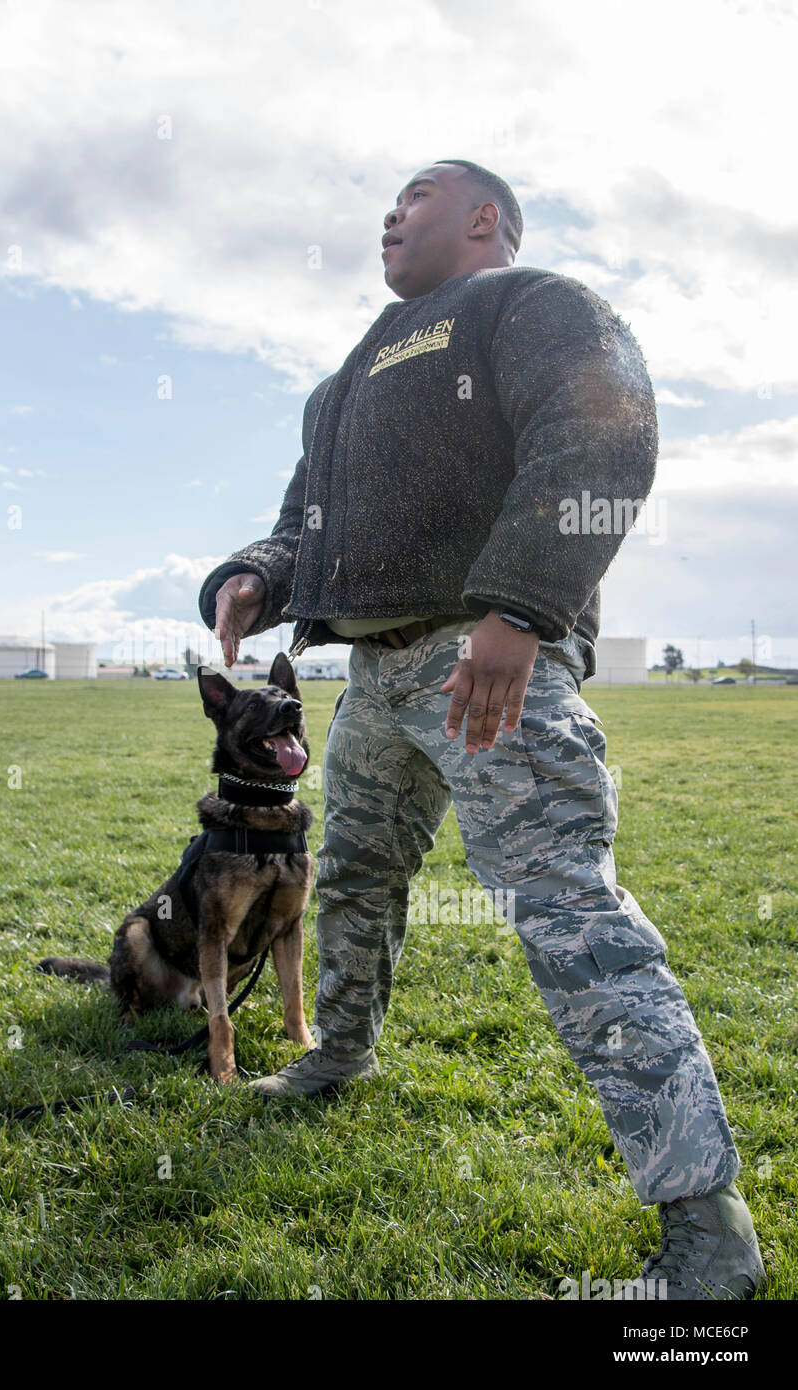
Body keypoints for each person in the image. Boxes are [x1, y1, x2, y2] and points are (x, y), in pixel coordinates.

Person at [199, 160, 764, 1300]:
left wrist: (519, 607)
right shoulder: (353, 371)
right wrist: (256, 575)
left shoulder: (533, 303)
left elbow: (602, 432)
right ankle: (340, 1053)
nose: (388, 215)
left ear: (483, 219)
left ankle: (708, 1236)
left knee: (567, 909)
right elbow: (300, 515)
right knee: (353, 879)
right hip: (372, 672)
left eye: (415, 196)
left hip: (488, 659)